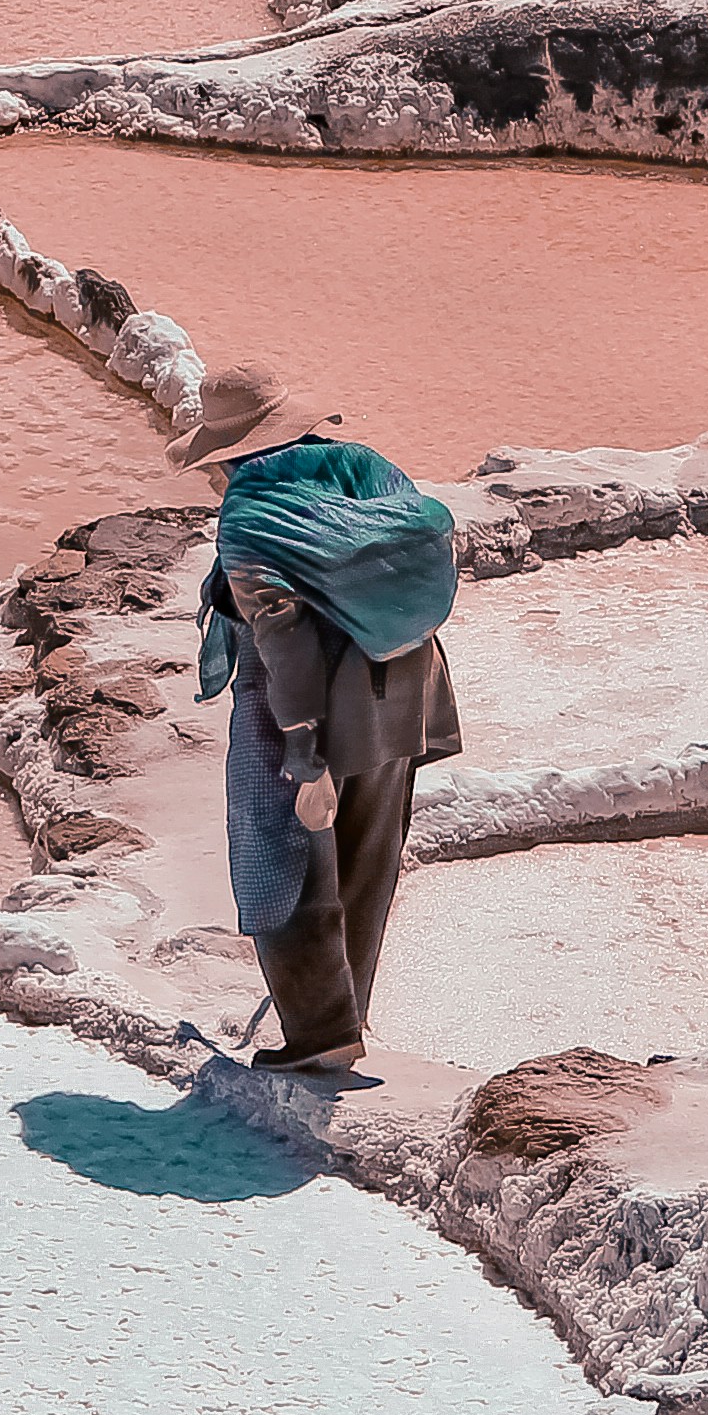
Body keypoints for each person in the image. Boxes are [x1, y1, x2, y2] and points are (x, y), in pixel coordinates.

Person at [176, 359, 460, 1077]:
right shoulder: (368, 469)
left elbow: (284, 634)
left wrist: (304, 751)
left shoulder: (250, 516)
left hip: (305, 712)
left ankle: (317, 1034)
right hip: (403, 686)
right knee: (368, 856)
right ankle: (346, 1017)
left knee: (279, 860)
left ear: (233, 452)